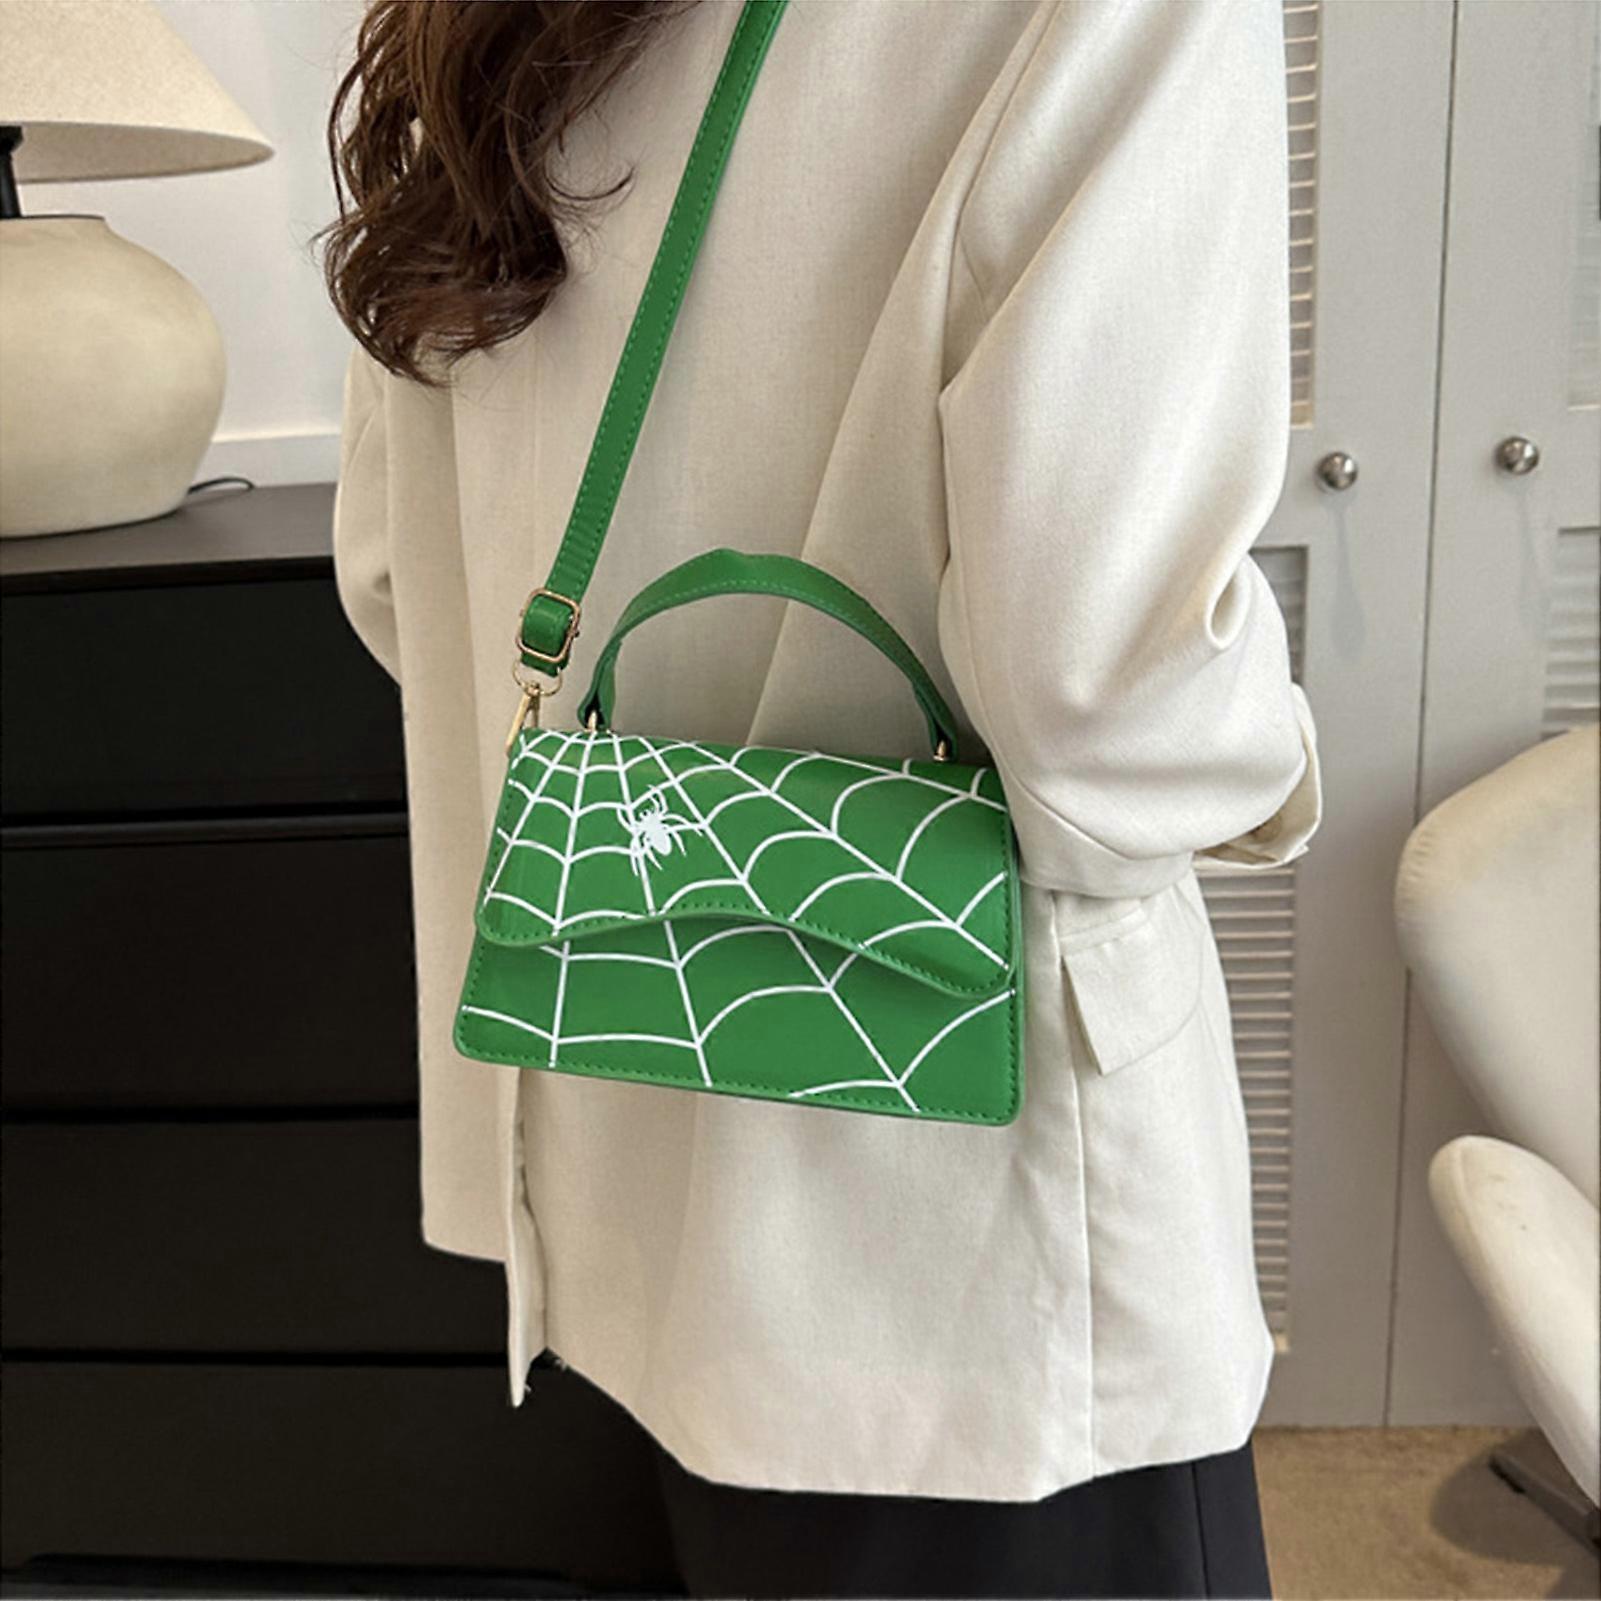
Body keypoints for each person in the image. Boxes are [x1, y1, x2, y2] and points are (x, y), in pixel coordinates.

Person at [321, 0, 1323, 1595]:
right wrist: (1270, 759)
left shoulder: (462, 25)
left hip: (606, 1180)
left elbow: (395, 580)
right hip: (967, 1265)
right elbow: (1107, 710)